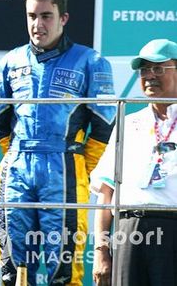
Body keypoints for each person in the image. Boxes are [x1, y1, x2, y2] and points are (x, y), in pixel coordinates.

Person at [0, 0, 116, 285]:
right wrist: (13, 158)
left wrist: (81, 167)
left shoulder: (91, 61)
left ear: (64, 18)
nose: (38, 24)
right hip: (17, 168)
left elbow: (104, 124)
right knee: (13, 267)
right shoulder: (10, 61)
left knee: (63, 266)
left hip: (65, 168)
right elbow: (2, 122)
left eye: (46, 16)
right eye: (32, 16)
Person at [91, 39, 177, 286]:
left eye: (158, 68)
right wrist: (101, 251)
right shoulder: (128, 124)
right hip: (129, 230)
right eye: (144, 70)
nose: (149, 76)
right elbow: (106, 192)